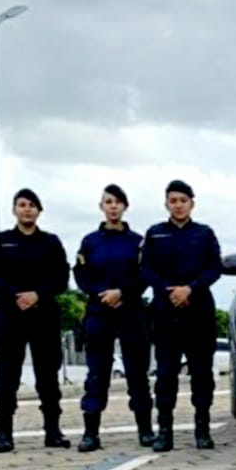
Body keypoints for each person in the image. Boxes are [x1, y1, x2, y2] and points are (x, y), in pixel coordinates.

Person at [0, 188, 73, 452]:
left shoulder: (51, 242)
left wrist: (37, 295)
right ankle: (5, 433)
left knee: (48, 375)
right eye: (22, 205)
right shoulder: (1, 241)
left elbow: (61, 279)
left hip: (43, 314)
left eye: (32, 205)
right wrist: (15, 295)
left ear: (39, 211)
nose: (27, 209)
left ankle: (53, 430)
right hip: (10, 315)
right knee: (7, 375)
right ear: (14, 209)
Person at [140, 179, 223, 452]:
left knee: (201, 374)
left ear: (192, 204)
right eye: (173, 201)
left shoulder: (204, 233)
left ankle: (202, 428)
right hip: (165, 313)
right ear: (167, 203)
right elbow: (145, 270)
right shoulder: (154, 234)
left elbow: (214, 268)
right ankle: (165, 430)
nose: (178, 205)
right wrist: (169, 290)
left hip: (199, 312)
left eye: (183, 200)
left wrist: (190, 289)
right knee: (165, 375)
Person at [73, 184, 154, 453]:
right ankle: (90, 433)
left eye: (118, 202)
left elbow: (144, 275)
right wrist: (101, 294)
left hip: (130, 311)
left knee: (137, 373)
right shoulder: (90, 242)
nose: (113, 206)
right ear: (102, 206)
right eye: (108, 202)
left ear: (125, 207)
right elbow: (82, 275)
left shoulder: (138, 241)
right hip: (99, 313)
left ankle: (145, 430)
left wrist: (123, 293)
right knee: (97, 374)